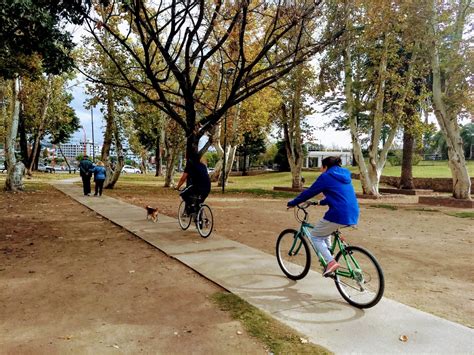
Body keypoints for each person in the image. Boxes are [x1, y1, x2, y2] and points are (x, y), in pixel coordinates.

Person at [287, 156, 359, 276]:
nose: (320, 169)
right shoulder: (345, 176)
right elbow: (337, 195)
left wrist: (293, 203)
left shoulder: (326, 176)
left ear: (325, 167)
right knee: (326, 229)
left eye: (321, 167)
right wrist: (319, 202)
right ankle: (329, 255)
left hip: (338, 214)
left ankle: (330, 262)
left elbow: (309, 192)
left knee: (315, 236)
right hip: (353, 212)